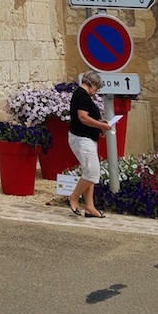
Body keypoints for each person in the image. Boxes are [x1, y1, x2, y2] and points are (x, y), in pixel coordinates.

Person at [67, 71, 110, 218]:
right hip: (82, 139)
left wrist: (99, 126)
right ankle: (74, 197)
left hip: (86, 138)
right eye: (96, 88)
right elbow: (83, 118)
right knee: (92, 172)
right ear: (92, 84)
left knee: (88, 171)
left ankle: (89, 206)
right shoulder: (82, 96)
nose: (96, 92)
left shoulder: (82, 95)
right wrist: (100, 126)